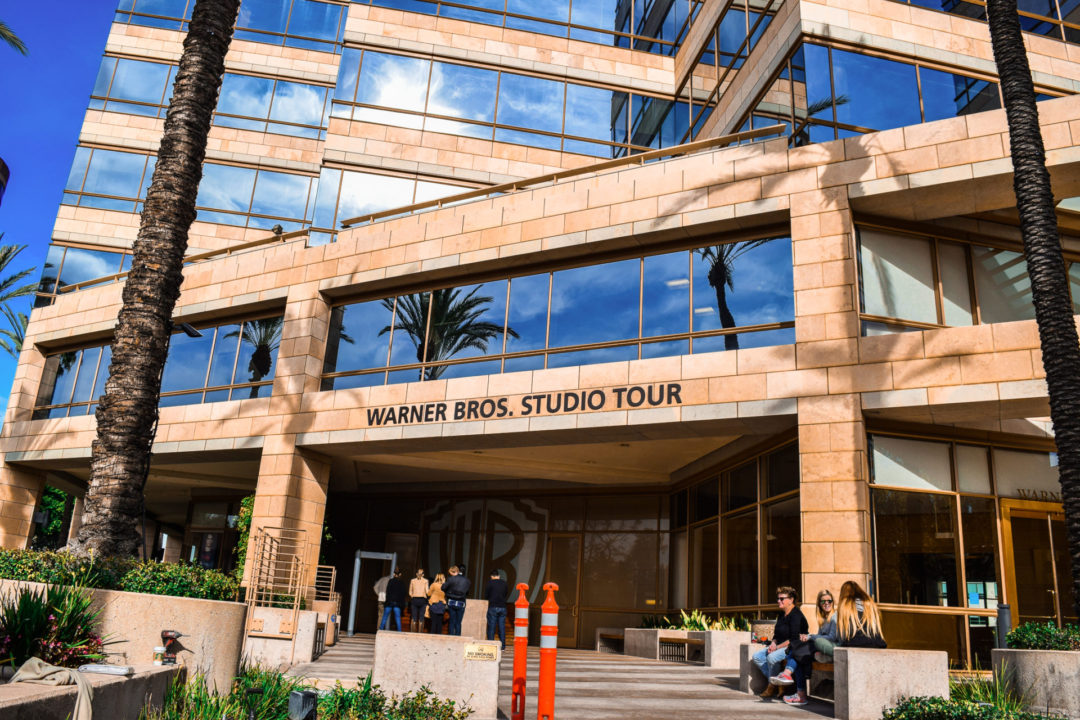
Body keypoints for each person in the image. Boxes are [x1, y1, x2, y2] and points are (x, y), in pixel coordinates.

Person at [771, 589, 838, 704]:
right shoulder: (823, 618)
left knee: (797, 650)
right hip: (820, 648)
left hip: (832, 649)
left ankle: (791, 681)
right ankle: (798, 692)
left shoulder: (835, 616)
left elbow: (832, 638)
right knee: (798, 654)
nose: (826, 603)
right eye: (823, 602)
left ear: (833, 602)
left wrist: (810, 637)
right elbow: (820, 637)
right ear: (819, 604)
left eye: (829, 601)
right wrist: (809, 637)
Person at [753, 586, 808, 699]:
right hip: (779, 646)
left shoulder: (796, 616)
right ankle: (778, 684)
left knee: (771, 658)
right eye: (778, 599)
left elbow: (794, 639)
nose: (779, 601)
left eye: (782, 599)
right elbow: (776, 634)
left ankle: (771, 686)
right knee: (757, 657)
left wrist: (776, 647)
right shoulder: (782, 615)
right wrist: (773, 643)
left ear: (791, 600)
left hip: (792, 647)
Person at [836, 581, 886, 649]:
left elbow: (843, 634)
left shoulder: (845, 604)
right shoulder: (869, 603)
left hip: (855, 643)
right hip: (877, 642)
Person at [442, 565, 471, 636]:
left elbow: (443, 588)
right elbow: (467, 592)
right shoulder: (467, 581)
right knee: (458, 622)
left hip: (451, 601)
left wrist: (449, 592)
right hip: (461, 602)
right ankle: (458, 637)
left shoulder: (451, 579)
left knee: (452, 621)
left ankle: (451, 638)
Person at [483, 569, 509, 649]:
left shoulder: (490, 583)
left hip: (493, 607)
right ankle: (503, 646)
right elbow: (505, 594)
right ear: (498, 576)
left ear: (491, 576)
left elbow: (486, 595)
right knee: (502, 627)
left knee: (491, 627)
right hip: (503, 607)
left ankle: (491, 646)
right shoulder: (504, 583)